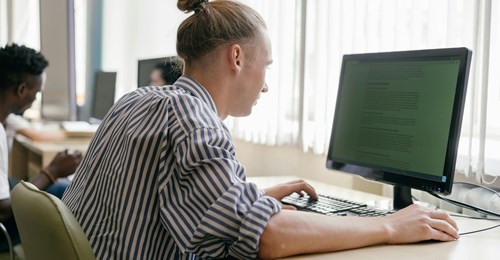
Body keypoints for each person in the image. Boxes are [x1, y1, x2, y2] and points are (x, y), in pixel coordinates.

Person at [62, 0, 459, 259]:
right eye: (266, 65)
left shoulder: (139, 99)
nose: (266, 84)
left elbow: (156, 193)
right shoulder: (196, 124)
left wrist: (253, 197)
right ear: (236, 57)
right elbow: (271, 238)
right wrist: (388, 225)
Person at [0, 43, 83, 252]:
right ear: (21, 90)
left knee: (57, 187)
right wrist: (52, 171)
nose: (35, 100)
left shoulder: (5, 120)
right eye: (36, 94)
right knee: (64, 191)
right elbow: (3, 210)